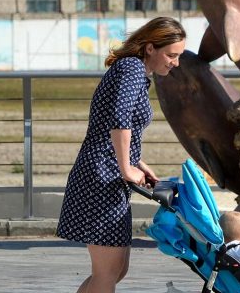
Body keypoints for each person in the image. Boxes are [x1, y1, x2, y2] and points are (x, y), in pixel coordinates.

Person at [56, 17, 186, 293]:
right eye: (171, 55)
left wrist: (139, 163)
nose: (175, 62)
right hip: (101, 176)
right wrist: (127, 168)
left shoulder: (137, 73)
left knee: (115, 270)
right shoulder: (130, 69)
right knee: (108, 271)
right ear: (150, 48)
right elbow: (119, 121)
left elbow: (116, 127)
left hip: (107, 174)